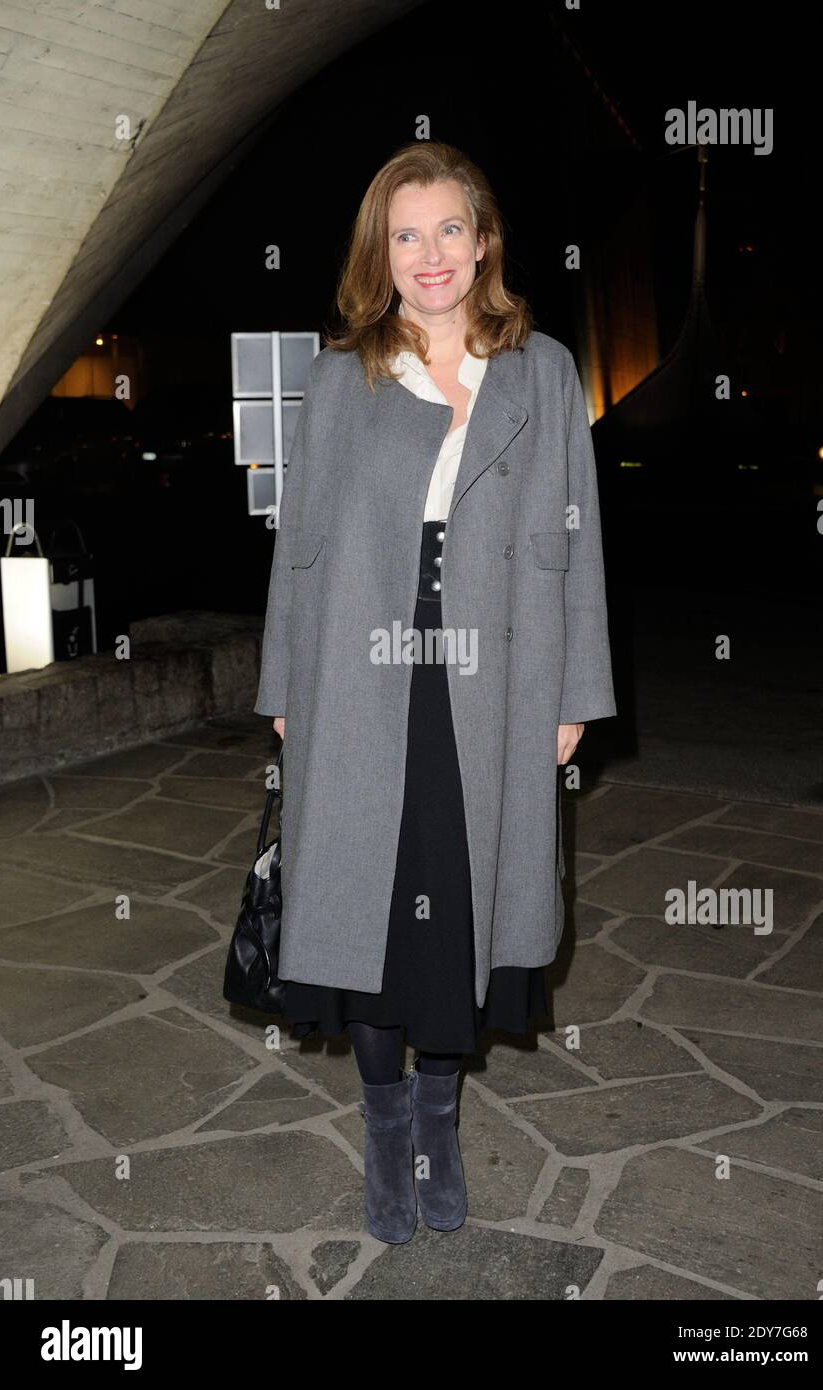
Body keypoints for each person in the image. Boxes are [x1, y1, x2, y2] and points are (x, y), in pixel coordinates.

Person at [253, 140, 617, 1244]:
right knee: (364, 907)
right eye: (404, 235)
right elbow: (297, 548)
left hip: (495, 677)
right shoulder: (339, 375)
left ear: (484, 240)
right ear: (381, 251)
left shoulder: (544, 372)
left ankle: (438, 1124)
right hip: (363, 677)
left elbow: (577, 541)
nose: (429, 255)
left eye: (448, 229)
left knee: (461, 908)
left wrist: (575, 693)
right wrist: (284, 684)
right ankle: (380, 1125)